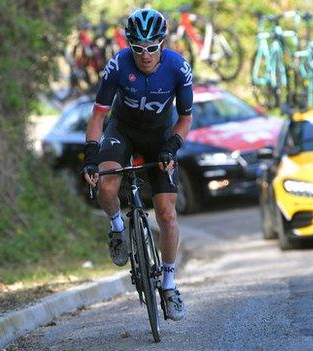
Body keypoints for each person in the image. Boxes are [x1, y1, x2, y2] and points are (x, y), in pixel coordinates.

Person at [81, 8, 193, 321]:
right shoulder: (117, 65)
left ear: (163, 42)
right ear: (130, 46)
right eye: (139, 48)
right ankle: (117, 226)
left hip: (160, 137)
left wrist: (172, 146)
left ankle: (169, 284)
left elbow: (186, 118)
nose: (146, 55)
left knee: (167, 214)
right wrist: (91, 155)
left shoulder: (178, 68)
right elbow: (98, 115)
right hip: (124, 130)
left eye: (153, 47)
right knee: (106, 184)